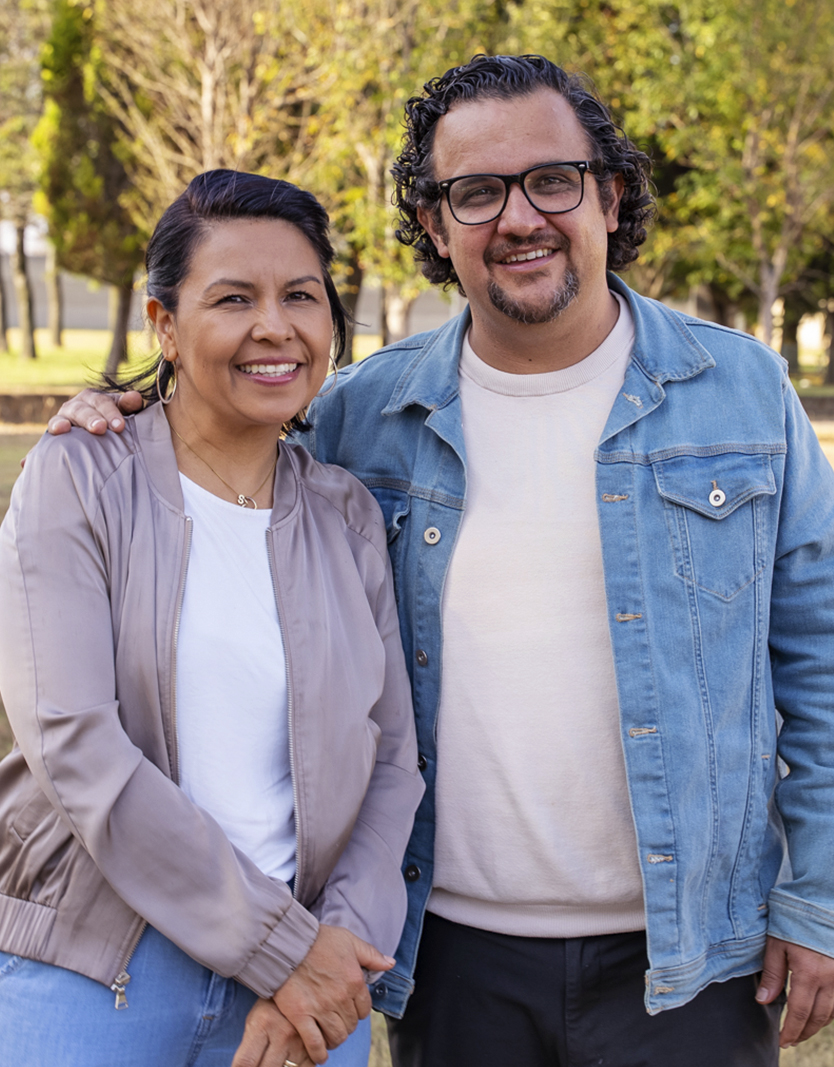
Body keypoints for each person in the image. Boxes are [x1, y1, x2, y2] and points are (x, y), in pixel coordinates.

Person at [47, 54, 834, 1067]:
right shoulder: (360, 416)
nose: (519, 218)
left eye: (552, 180)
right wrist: (123, 409)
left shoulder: (741, 392)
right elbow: (223, 427)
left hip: (691, 962)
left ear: (610, 195)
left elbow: (821, 660)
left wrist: (818, 893)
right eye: (476, 193)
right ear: (433, 222)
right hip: (454, 962)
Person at [0, 169, 424, 1067]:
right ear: (164, 324)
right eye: (234, 298)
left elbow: (391, 760)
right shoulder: (80, 478)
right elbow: (75, 742)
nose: (274, 326)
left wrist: (335, 947)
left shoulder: (346, 515)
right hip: (100, 975)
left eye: (300, 295)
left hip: (305, 988)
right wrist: (281, 947)